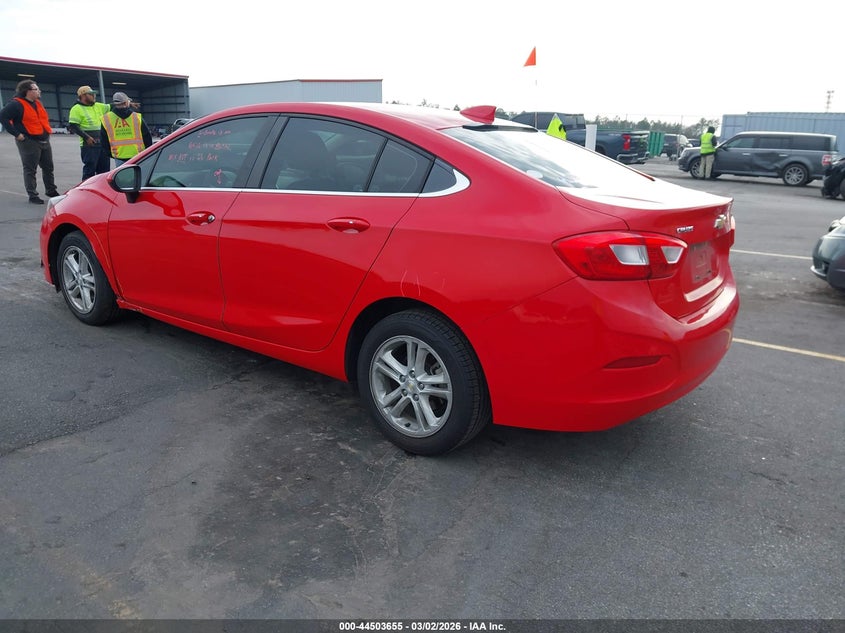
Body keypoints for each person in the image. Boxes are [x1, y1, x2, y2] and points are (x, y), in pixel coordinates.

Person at [0, 79, 60, 203]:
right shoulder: (16, 104)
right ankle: (33, 195)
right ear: (28, 91)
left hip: (44, 140)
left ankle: (51, 190)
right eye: (36, 89)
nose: (39, 91)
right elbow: (3, 117)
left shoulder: (38, 103)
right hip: (29, 141)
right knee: (30, 169)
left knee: (48, 167)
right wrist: (17, 134)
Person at [67, 85, 111, 180]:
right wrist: (86, 137)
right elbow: (73, 126)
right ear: (83, 96)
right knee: (89, 170)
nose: (94, 96)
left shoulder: (98, 106)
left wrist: (127, 103)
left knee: (104, 171)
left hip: (102, 143)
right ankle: (87, 191)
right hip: (89, 145)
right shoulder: (76, 109)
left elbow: (111, 106)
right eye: (91, 94)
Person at [100, 91, 152, 166]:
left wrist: (110, 154)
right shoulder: (136, 117)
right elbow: (147, 136)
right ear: (126, 103)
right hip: (139, 155)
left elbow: (104, 140)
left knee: (123, 177)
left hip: (119, 157)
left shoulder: (106, 119)